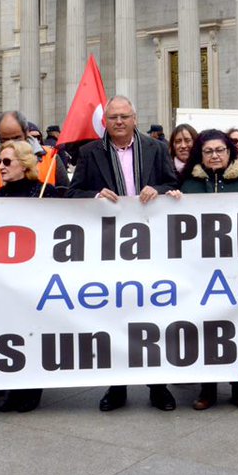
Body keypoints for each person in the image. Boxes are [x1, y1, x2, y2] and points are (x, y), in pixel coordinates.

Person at [68, 96, 179, 412]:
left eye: (124, 116)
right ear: (106, 121)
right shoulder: (90, 153)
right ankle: (117, 385)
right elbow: (73, 193)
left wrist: (156, 188)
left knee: (153, 315)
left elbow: (172, 183)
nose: (118, 121)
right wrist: (94, 194)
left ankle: (158, 386)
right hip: (110, 247)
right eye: (113, 117)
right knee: (115, 316)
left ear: (135, 118)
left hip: (151, 245)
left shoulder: (155, 149)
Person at [168, 129, 238, 410]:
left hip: (237, 270)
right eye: (208, 151)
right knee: (205, 328)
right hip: (201, 270)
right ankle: (208, 389)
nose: (215, 155)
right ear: (200, 155)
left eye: (220, 150)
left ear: (231, 152)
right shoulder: (189, 185)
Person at [0, 139, 54, 412]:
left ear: (24, 165)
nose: (0, 166)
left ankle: (31, 391)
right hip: (7, 281)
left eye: (6, 162)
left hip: (38, 279)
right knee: (11, 333)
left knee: (33, 332)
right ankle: (14, 388)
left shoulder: (46, 193)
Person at [0, 111, 69, 194]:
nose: (12, 143)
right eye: (6, 140)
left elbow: (65, 195)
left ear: (26, 133)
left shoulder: (51, 157)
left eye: (17, 138)